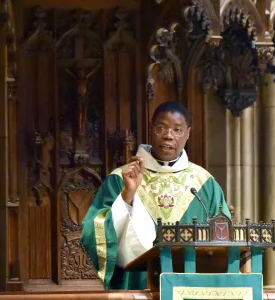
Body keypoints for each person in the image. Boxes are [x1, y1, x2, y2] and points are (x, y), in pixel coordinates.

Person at [81, 101, 231, 290]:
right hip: (136, 286)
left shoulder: (204, 184)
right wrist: (127, 195)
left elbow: (224, 237)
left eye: (177, 130)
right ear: (151, 129)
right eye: (161, 128)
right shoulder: (121, 178)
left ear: (188, 134)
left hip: (191, 288)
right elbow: (93, 231)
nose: (168, 136)